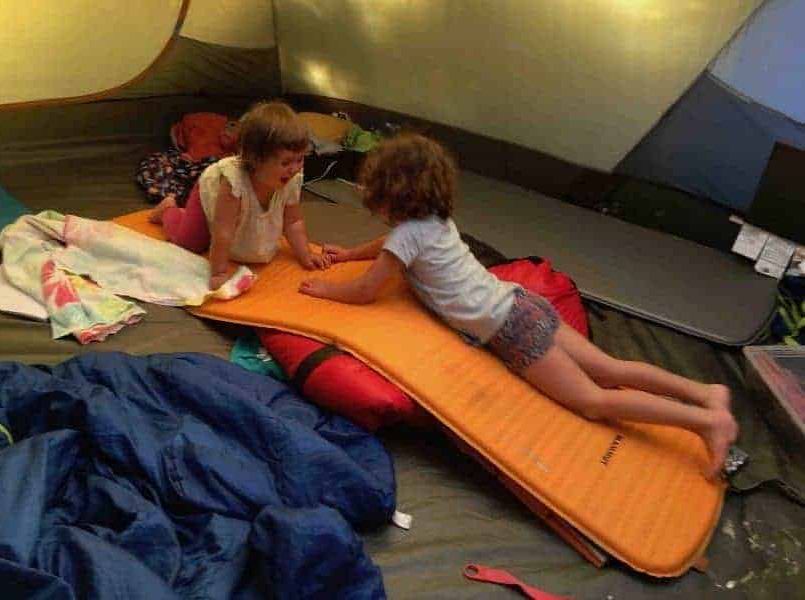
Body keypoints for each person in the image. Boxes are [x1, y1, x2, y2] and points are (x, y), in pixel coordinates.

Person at [299, 133, 738, 478]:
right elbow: (389, 246)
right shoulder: (433, 220)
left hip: (512, 330)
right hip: (523, 303)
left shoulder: (405, 236)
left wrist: (325, 290)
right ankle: (704, 393)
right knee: (611, 368)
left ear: (389, 194)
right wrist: (351, 253)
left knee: (593, 400)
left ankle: (705, 423)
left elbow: (366, 291)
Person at [151, 101, 329, 289]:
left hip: (233, 214)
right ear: (255, 160)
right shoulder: (233, 184)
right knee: (190, 243)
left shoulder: (291, 179)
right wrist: (219, 272)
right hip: (210, 195)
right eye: (285, 163)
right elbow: (223, 232)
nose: (294, 169)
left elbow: (293, 222)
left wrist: (306, 254)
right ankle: (168, 209)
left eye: (299, 159)